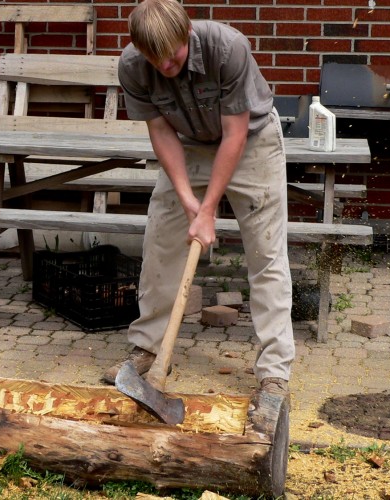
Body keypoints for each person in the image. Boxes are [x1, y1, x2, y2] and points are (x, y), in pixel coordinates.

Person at [102, 0, 294, 408]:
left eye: (172, 55)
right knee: (160, 243)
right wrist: (189, 201)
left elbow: (235, 134)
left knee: (266, 253)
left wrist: (208, 211)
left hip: (251, 141)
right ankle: (149, 350)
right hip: (186, 141)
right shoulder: (133, 66)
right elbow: (160, 131)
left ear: (187, 31)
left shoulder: (228, 48)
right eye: (155, 58)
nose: (165, 65)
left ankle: (274, 371)